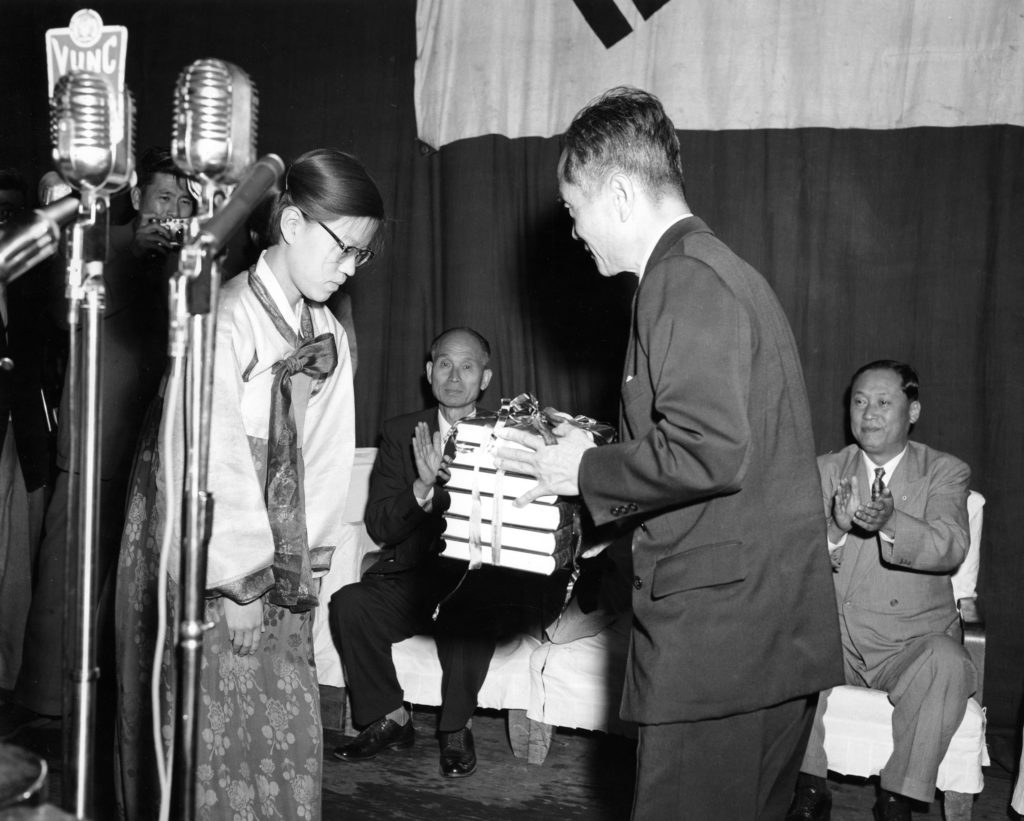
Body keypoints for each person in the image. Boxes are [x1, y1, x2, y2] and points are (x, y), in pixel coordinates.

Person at [494, 86, 844, 820]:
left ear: (620, 194)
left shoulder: (681, 278)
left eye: (574, 210)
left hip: (718, 651)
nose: (574, 231)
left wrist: (581, 470)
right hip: (760, 644)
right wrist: (600, 479)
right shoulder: (719, 270)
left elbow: (708, 449)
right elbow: (719, 452)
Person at [115, 147, 383, 820]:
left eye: (362, 255)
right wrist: (237, 580)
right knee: (210, 712)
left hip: (283, 551)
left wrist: (308, 563)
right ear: (291, 224)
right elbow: (211, 455)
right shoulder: (226, 314)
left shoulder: (326, 331)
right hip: (215, 545)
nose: (351, 267)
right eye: (345, 248)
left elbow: (327, 455)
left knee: (282, 713)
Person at [0, 148, 197, 741]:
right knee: (66, 575)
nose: (174, 209)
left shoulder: (193, 262)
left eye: (185, 201)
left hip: (158, 447)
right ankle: (42, 703)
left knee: (134, 586)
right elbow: (61, 318)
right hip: (94, 441)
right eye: (164, 196)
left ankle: (117, 708)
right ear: (136, 197)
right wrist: (129, 258)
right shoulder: (97, 244)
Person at [330, 327, 567, 778]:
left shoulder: (513, 436)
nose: (454, 377)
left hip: (481, 580)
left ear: (485, 379)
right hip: (413, 578)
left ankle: (456, 729)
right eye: (444, 365)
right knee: (350, 604)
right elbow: (380, 525)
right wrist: (420, 489)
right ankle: (390, 718)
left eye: (467, 366)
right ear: (429, 372)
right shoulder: (401, 432)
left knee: (468, 609)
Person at [786, 361, 976, 821]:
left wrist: (890, 521)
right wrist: (835, 528)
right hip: (836, 639)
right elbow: (790, 559)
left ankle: (898, 799)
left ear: (913, 412)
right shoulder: (824, 470)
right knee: (787, 642)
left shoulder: (944, 471)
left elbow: (950, 546)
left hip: (909, 644)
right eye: (859, 402)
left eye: (883, 402)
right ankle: (809, 788)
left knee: (949, 662)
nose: (868, 413)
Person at [0, 167, 54, 697]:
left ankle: (8, 679)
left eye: (10, 214)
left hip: (25, 433)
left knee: (19, 561)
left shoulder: (36, 278)